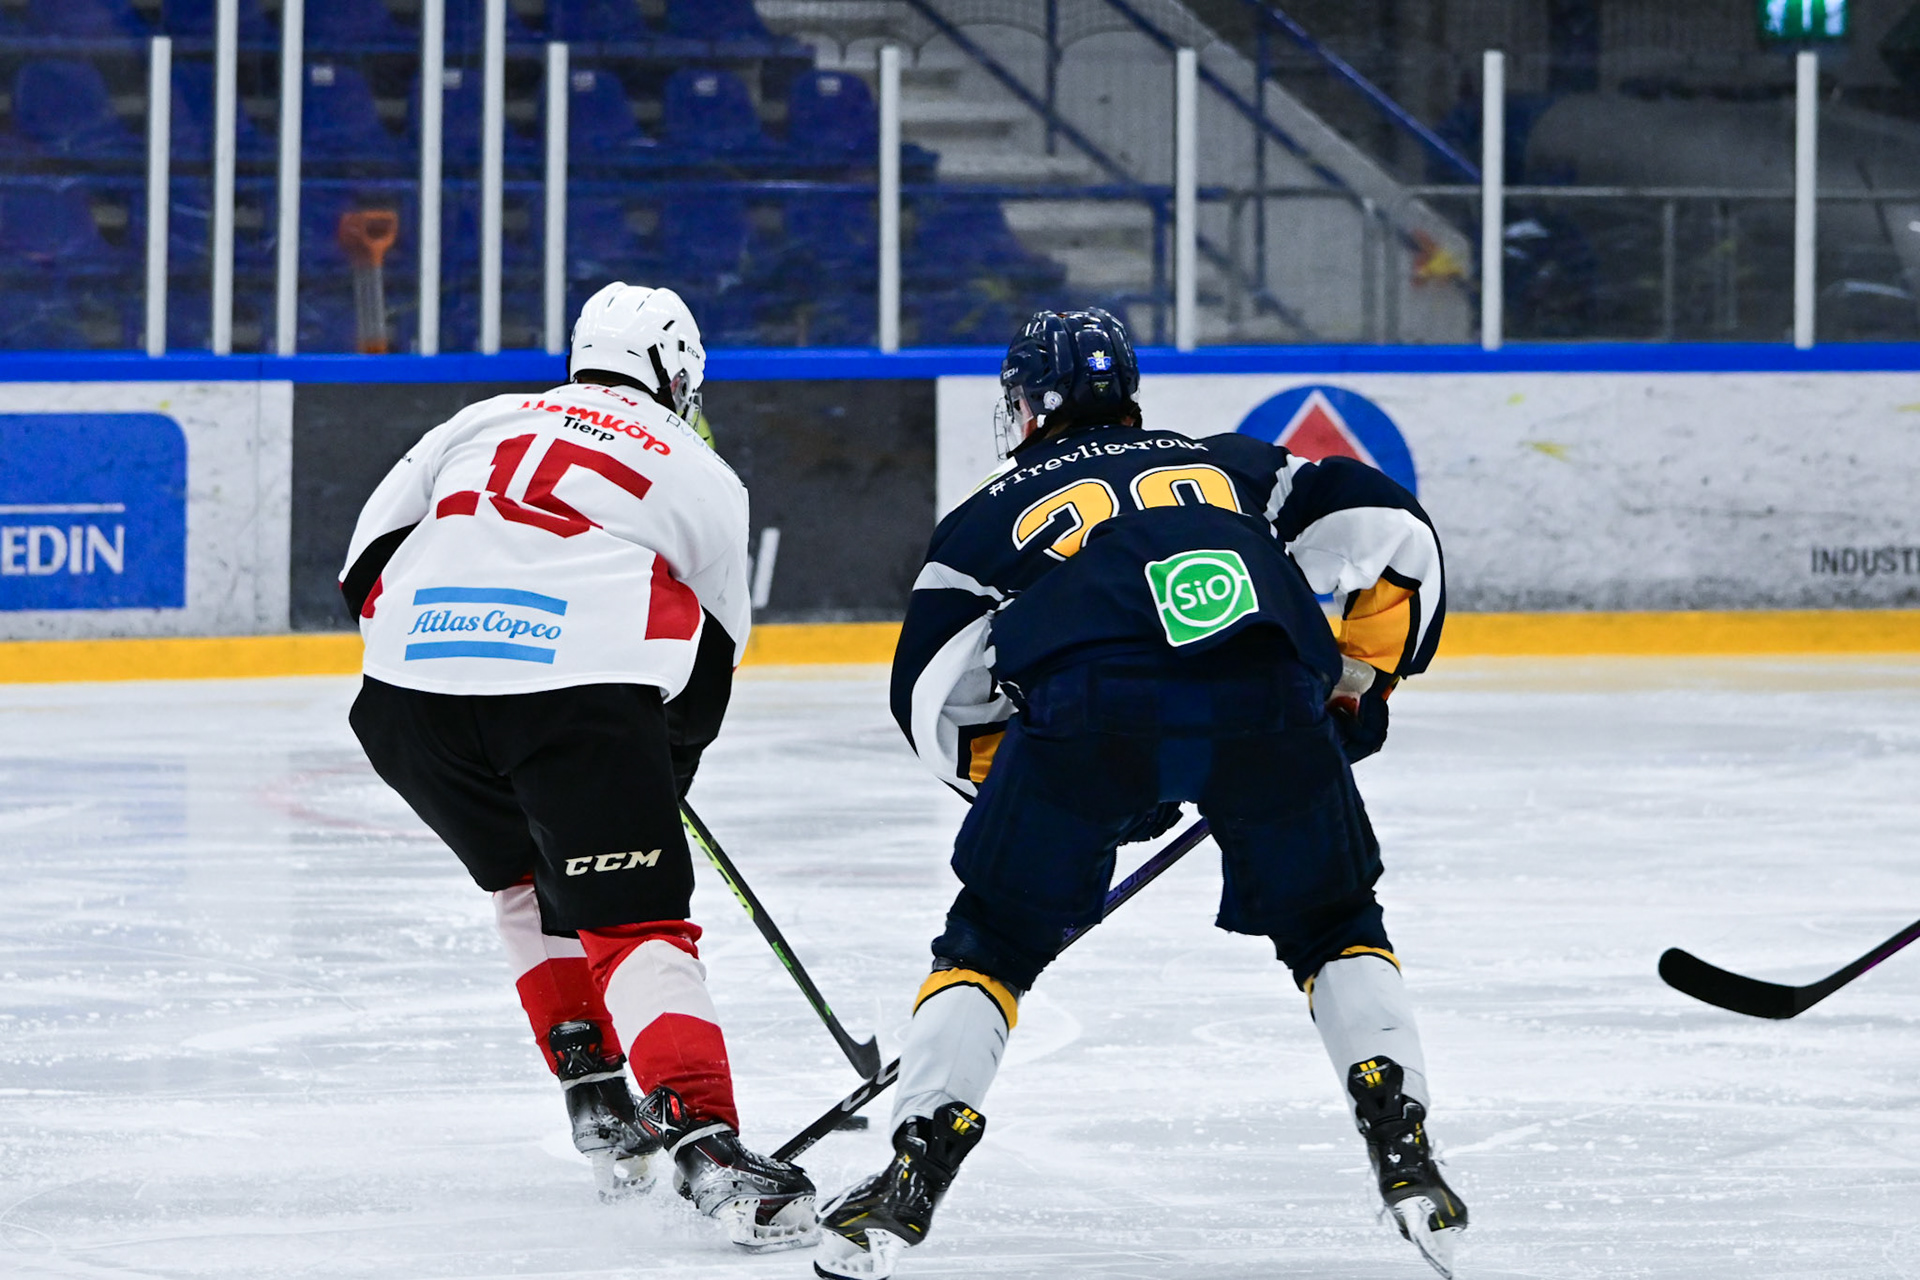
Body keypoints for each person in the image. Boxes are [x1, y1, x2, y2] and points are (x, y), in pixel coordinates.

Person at [813, 308, 1467, 1279]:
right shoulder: (1235, 465)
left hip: (1090, 713)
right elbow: (1395, 532)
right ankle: (1404, 1147)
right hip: (1267, 698)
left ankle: (912, 1172)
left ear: (1028, 406)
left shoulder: (986, 517)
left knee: (991, 942)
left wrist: (1043, 787)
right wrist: (1362, 679)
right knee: (1334, 924)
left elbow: (931, 697)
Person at [337, 283, 815, 1250]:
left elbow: (362, 567)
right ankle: (709, 1151)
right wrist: (655, 774)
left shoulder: (482, 419)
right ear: (678, 375)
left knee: (524, 874)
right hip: (577, 698)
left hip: (406, 702)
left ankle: (596, 1096)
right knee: (633, 921)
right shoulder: (699, 466)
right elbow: (713, 660)